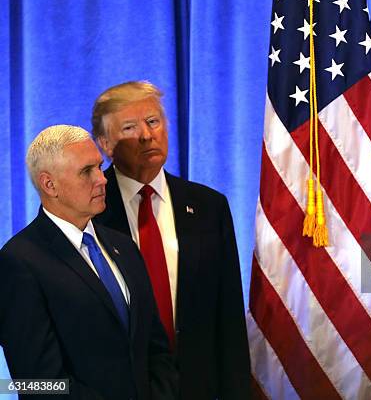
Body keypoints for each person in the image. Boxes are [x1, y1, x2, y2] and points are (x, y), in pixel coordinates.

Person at [91, 81, 251, 399]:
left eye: (153, 121)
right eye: (129, 127)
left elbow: (228, 316)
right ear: (105, 143)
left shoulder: (208, 206)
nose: (147, 135)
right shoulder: (89, 210)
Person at [0, 125, 178, 399]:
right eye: (86, 171)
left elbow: (155, 347)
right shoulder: (20, 261)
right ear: (50, 185)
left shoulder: (124, 246)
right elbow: (37, 383)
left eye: (99, 166)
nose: (102, 179)